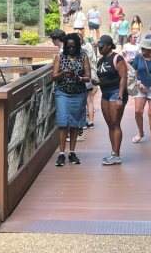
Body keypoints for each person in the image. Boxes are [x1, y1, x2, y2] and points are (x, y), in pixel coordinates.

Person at [53, 33, 91, 166]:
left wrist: (78, 78)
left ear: (77, 45)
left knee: (75, 122)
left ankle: (72, 152)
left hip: (78, 93)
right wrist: (63, 73)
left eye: (73, 46)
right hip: (62, 92)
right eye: (68, 47)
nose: (71, 49)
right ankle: (62, 153)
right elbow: (54, 76)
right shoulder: (60, 56)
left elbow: (88, 76)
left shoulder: (83, 56)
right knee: (63, 121)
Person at [94, 35, 127, 165]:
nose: (100, 49)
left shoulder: (117, 58)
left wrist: (120, 97)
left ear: (108, 46)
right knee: (109, 125)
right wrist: (97, 81)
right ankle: (113, 152)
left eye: (102, 46)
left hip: (115, 93)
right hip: (105, 93)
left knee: (115, 123)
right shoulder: (100, 61)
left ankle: (117, 154)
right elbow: (104, 77)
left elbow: (123, 78)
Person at [79, 30, 99, 130]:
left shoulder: (78, 52)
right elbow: (93, 60)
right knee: (89, 100)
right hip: (89, 74)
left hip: (81, 77)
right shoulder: (87, 47)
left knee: (81, 100)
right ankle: (91, 122)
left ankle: (82, 122)